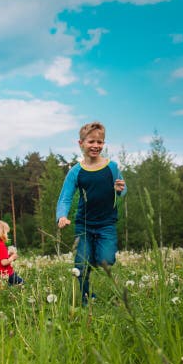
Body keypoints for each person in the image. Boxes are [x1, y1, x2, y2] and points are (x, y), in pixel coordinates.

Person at [56, 121, 127, 305]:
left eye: (100, 142)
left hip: (107, 224)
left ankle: (95, 260)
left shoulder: (112, 167)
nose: (96, 146)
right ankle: (86, 297)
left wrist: (120, 189)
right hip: (84, 225)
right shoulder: (76, 172)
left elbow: (123, 189)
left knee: (106, 259)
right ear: (81, 143)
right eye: (91, 142)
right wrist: (62, 216)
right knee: (81, 264)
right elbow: (65, 197)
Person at [0, 220, 24, 285]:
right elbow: (3, 262)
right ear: (1, 233)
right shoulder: (1, 245)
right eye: (6, 233)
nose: (7, 235)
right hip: (6, 275)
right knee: (22, 283)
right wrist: (12, 257)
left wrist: (8, 255)